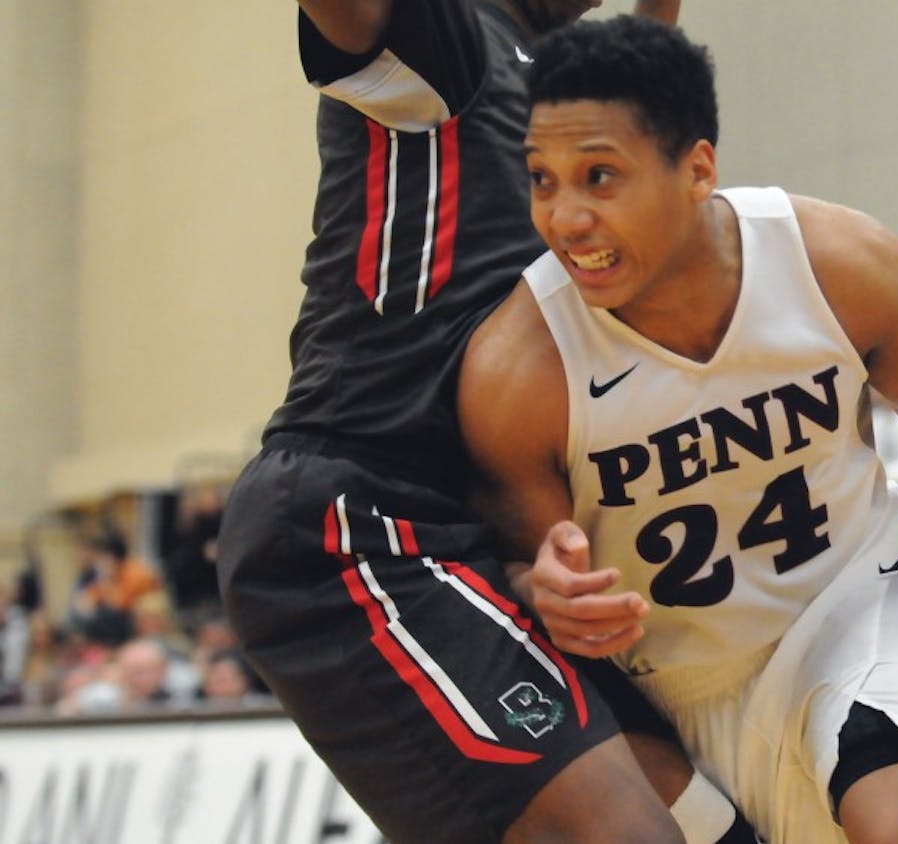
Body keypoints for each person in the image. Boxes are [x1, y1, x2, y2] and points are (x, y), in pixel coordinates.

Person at [457, 17, 898, 843]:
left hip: (855, 602)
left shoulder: (833, 262)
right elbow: (517, 566)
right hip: (664, 689)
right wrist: (539, 589)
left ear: (696, 171)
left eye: (599, 177)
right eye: (542, 180)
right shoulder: (517, 370)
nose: (564, 218)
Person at [215, 3, 759, 843]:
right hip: (364, 523)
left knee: (723, 832)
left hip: (497, 539)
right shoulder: (450, 37)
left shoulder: (580, 99)